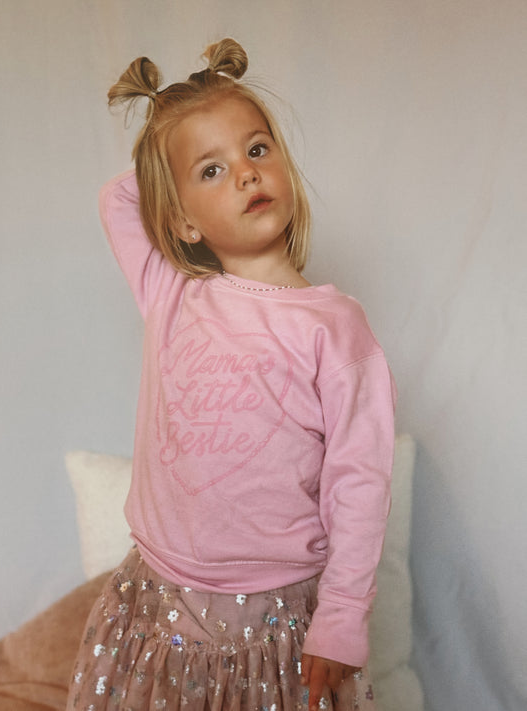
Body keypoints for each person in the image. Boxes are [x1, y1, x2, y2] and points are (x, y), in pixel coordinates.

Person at [67, 38, 396, 711]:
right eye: (212, 170)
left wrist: (341, 616)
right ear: (180, 219)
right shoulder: (170, 292)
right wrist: (173, 126)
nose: (246, 174)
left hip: (276, 620)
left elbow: (360, 482)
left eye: (257, 150)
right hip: (153, 603)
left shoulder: (335, 327)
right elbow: (116, 198)